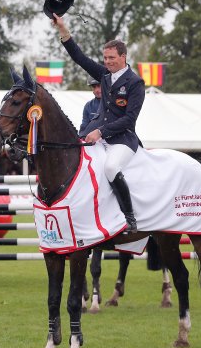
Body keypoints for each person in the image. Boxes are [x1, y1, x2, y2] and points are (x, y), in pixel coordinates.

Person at [52, 13, 145, 232]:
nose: (107, 62)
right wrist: (62, 28)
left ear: (123, 57)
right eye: (105, 58)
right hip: (98, 137)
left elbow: (129, 120)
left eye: (112, 58)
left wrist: (100, 131)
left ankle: (129, 217)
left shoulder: (135, 83)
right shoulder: (103, 75)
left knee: (111, 167)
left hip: (123, 139)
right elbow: (79, 57)